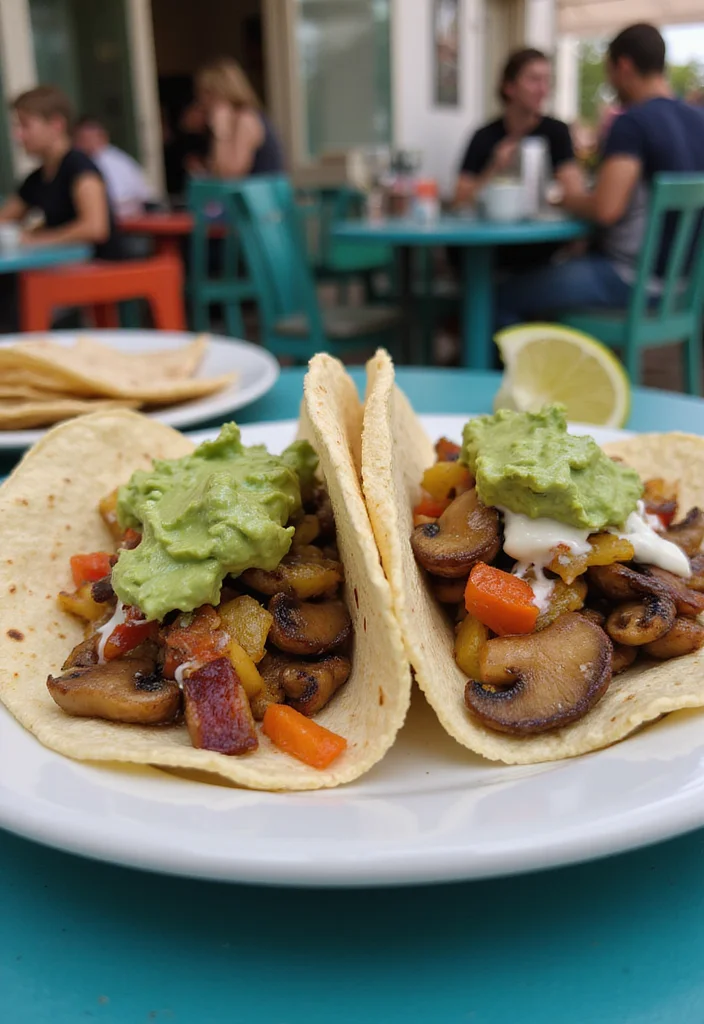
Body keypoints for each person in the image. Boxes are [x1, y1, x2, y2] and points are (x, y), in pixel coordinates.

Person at [497, 24, 704, 326]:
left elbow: (607, 209)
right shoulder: (698, 121)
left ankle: (507, 373)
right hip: (685, 283)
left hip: (632, 279)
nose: (610, 83)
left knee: (502, 296)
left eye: (609, 72)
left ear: (623, 66)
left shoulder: (632, 123)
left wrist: (563, 200)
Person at [0, 85, 122, 260]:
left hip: (98, 271)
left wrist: (37, 239)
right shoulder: (38, 178)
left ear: (56, 124)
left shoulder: (80, 166)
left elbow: (95, 228)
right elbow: (5, 218)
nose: (17, 135)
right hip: (63, 268)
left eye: (25, 125)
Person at [455, 48, 583, 208]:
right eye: (534, 80)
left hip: (544, 230)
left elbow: (575, 193)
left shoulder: (557, 132)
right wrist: (494, 167)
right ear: (509, 87)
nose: (543, 90)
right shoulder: (484, 136)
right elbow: (459, 201)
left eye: (547, 81)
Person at [195, 57, 284, 178]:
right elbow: (217, 170)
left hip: (262, 194)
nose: (203, 101)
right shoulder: (232, 120)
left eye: (207, 94)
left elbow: (230, 174)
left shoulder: (246, 118)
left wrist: (221, 131)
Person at [74, 115, 155, 218]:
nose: (84, 143)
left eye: (89, 138)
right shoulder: (81, 160)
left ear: (103, 137)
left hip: (131, 223)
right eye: (81, 138)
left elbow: (118, 201)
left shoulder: (111, 161)